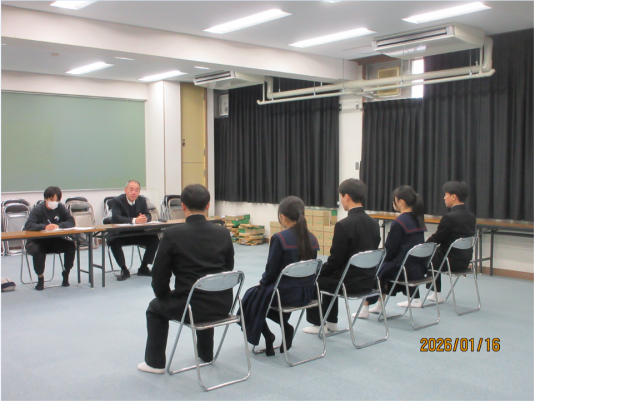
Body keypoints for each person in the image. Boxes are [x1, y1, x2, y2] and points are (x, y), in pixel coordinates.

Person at [138, 184, 234, 374]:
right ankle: (206, 354)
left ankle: (155, 363)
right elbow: (228, 268)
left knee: (155, 308)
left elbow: (159, 275)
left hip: (190, 307)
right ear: (208, 205)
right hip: (222, 304)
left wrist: (164, 296)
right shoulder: (223, 232)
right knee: (205, 289)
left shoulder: (172, 234)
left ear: (182, 206)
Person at [240, 196, 320, 355]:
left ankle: (269, 335)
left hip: (283, 294)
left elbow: (270, 272)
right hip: (306, 293)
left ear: (282, 217)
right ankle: (285, 328)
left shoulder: (280, 238)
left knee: (249, 299)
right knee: (260, 299)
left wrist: (262, 283)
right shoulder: (312, 238)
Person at [302, 179, 381, 334]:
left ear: (346, 197)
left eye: (341, 196)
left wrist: (318, 271)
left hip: (348, 283)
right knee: (330, 276)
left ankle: (318, 324)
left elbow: (335, 261)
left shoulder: (344, 225)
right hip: (369, 281)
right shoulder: (374, 223)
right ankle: (331, 323)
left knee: (315, 280)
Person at [356, 185, 428, 318]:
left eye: (394, 199)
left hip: (404, 269)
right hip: (418, 268)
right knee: (384, 268)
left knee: (375, 271)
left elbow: (390, 249)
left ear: (401, 202)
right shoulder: (418, 219)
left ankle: (364, 308)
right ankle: (379, 305)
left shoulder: (399, 222)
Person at [418, 181, 476, 305]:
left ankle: (435, 293)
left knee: (428, 257)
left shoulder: (450, 217)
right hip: (465, 261)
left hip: (450, 262)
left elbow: (437, 238)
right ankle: (435, 293)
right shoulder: (471, 216)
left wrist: (422, 246)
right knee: (436, 254)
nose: (444, 198)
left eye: (446, 194)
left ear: (453, 196)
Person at [23, 186, 76, 290]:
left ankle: (66, 273)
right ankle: (40, 278)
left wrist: (59, 226)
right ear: (45, 199)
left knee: (70, 246)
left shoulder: (60, 208)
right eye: (52, 199)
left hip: (54, 241)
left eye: (56, 200)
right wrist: (44, 227)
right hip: (37, 242)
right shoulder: (38, 209)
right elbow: (28, 225)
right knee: (39, 251)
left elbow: (71, 221)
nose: (54, 202)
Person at [108, 180, 160, 281]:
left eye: (136, 190)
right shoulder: (117, 201)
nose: (134, 192)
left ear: (139, 192)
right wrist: (135, 220)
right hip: (121, 234)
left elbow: (148, 214)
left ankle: (143, 267)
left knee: (154, 239)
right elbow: (116, 218)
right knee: (113, 241)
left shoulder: (142, 200)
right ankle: (124, 270)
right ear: (125, 190)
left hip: (137, 233)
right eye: (131, 189)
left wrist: (145, 218)